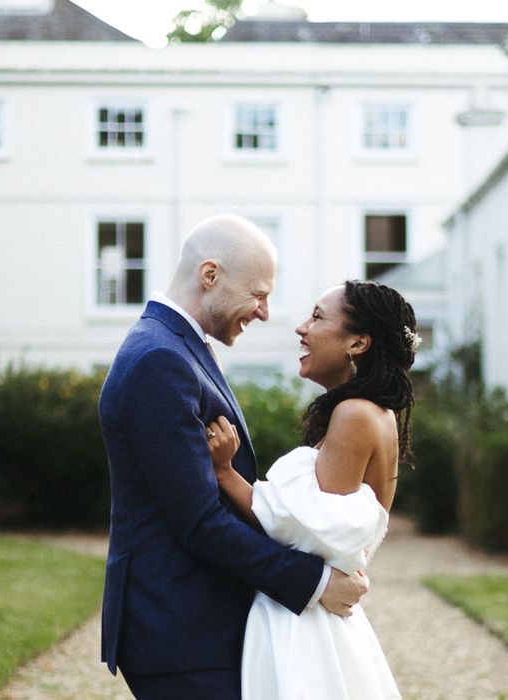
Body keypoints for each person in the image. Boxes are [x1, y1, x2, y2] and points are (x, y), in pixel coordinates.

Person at [98, 214, 369, 700]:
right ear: (210, 276)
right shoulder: (160, 360)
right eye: (259, 294)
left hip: (194, 624)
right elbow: (198, 520)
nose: (265, 312)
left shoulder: (177, 348)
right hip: (179, 630)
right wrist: (313, 582)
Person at [206, 279, 419, 700]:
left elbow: (307, 528)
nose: (302, 328)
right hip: (313, 612)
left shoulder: (355, 414)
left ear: (358, 342)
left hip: (306, 626)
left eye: (318, 317)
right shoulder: (373, 412)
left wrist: (225, 472)